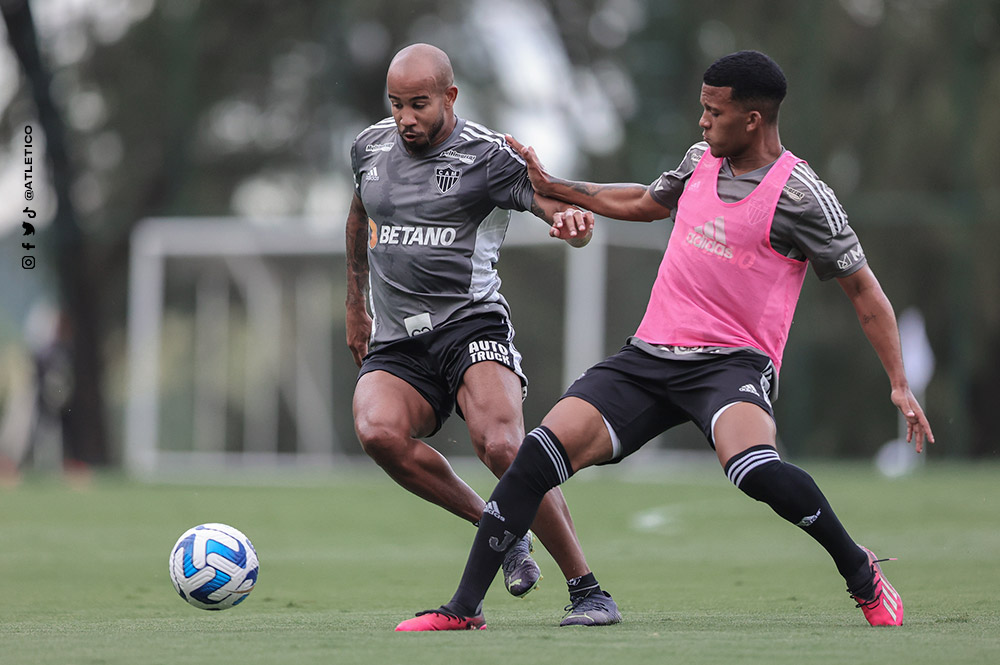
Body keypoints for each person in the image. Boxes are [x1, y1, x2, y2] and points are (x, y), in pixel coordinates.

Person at [395, 50, 935, 632]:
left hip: (729, 366)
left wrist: (900, 384)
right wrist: (557, 186)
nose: (702, 121)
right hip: (648, 357)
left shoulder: (800, 195)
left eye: (713, 111)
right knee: (533, 458)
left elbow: (864, 292)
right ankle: (463, 610)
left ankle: (862, 574)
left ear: (753, 119)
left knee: (755, 468)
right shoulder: (700, 160)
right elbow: (645, 203)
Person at [346, 43, 621, 627]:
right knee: (377, 432)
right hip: (399, 341)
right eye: (396, 105)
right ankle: (500, 530)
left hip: (471, 324)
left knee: (502, 447)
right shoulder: (369, 147)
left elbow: (548, 200)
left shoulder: (486, 156)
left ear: (449, 96)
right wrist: (355, 302)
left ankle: (588, 590)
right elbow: (359, 213)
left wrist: (567, 223)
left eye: (419, 104)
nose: (406, 119)